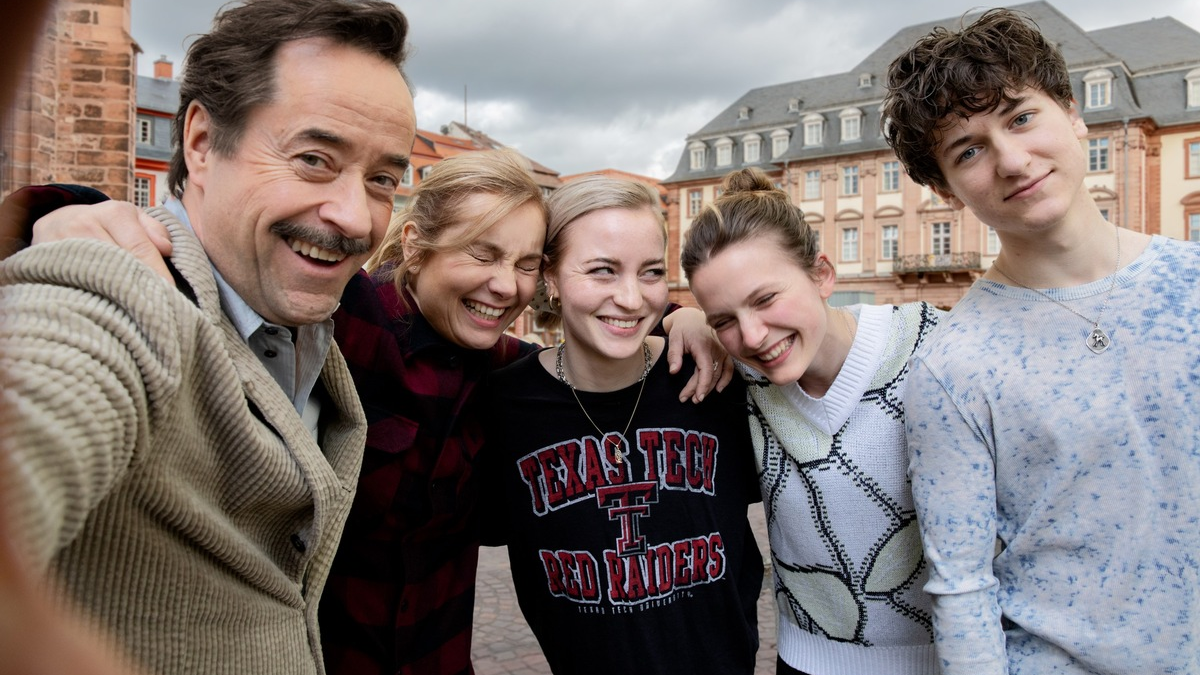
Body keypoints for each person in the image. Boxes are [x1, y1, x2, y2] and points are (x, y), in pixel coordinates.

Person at [14, 153, 730, 675]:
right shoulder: (342, 321)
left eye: (522, 262)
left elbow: (606, 302)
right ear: (417, 246)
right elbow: (225, 257)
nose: (503, 284)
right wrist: (68, 209)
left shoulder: (506, 370)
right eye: (483, 253)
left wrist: (681, 316)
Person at [0, 1, 416, 675]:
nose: (355, 216)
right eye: (313, 159)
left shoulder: (322, 324)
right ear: (200, 141)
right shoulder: (119, 291)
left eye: (382, 180)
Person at [881, 8, 1200, 675]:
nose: (1012, 160)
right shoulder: (951, 366)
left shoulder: (1191, 284)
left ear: (1074, 113)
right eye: (968, 148)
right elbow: (962, 588)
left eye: (1021, 118)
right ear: (944, 187)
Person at [479, 175, 763, 675]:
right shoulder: (503, 406)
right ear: (551, 276)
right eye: (602, 271)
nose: (632, 299)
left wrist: (695, 320)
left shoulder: (711, 378)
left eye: (651, 272)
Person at [681, 168, 943, 675]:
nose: (754, 336)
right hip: (805, 663)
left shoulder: (930, 344)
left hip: (945, 662)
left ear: (822, 274)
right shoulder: (741, 379)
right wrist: (682, 318)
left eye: (765, 299)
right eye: (724, 319)